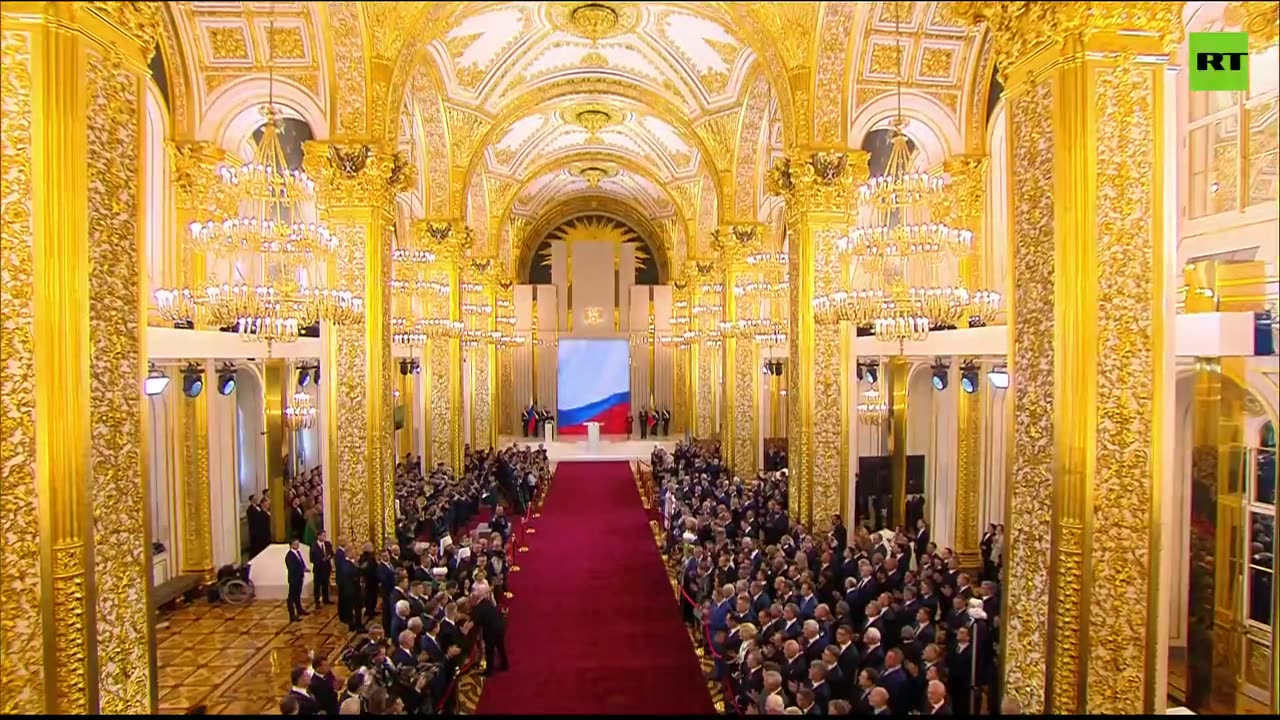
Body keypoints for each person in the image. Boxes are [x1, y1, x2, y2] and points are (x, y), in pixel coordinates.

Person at [284, 538, 308, 623]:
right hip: (294, 579)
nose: (297, 546)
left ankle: (299, 609)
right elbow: (292, 568)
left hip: (299, 578)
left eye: (298, 544)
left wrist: (304, 568)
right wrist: (302, 570)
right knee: (291, 597)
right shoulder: (289, 556)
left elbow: (301, 562)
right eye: (295, 544)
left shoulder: (298, 553)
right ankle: (292, 614)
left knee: (298, 595)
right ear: (291, 545)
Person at [310, 530, 333, 607]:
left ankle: (326, 599)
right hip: (318, 569)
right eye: (323, 536)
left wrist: (329, 556)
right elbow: (312, 558)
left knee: (325, 584)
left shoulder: (327, 544)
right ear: (318, 536)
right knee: (317, 586)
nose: (324, 537)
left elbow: (332, 553)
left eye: (325, 536)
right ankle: (317, 601)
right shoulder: (314, 546)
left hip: (326, 568)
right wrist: (320, 560)